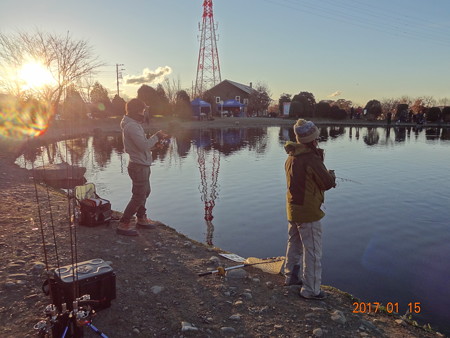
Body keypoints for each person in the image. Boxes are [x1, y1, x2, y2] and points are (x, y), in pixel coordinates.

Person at [284, 119, 336, 299]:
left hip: (293, 209)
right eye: (316, 138)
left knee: (295, 244)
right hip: (308, 212)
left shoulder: (291, 156)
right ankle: (311, 289)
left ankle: (290, 276)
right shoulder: (311, 159)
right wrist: (331, 175)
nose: (318, 141)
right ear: (312, 140)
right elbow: (327, 183)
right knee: (313, 251)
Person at [117, 98, 168, 236]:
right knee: (138, 196)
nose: (144, 113)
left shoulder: (133, 124)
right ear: (136, 111)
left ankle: (141, 218)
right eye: (142, 110)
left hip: (141, 164)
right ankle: (124, 223)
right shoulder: (132, 126)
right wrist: (156, 136)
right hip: (138, 166)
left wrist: (154, 145)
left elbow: (142, 146)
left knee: (145, 192)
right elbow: (144, 145)